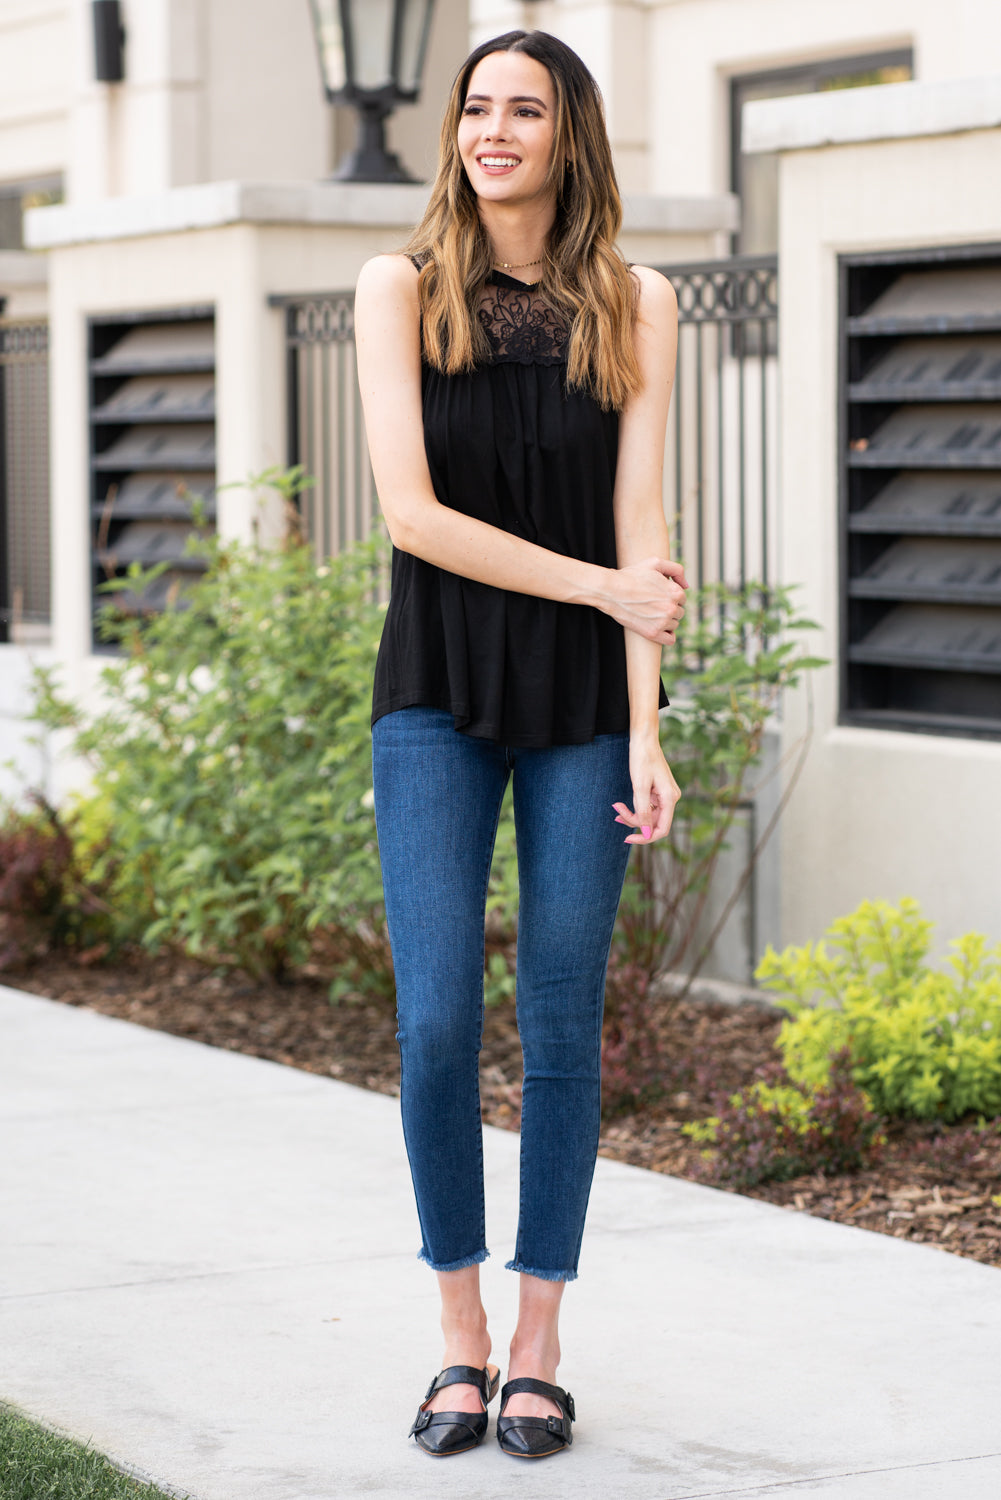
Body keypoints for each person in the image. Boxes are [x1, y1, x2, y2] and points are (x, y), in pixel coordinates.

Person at [354, 28, 686, 1461]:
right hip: (433, 686)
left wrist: (648, 728)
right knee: (435, 1019)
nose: (493, 130)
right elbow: (411, 518)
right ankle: (460, 1334)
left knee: (559, 1021)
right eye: (476, 107)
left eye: (523, 110)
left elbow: (641, 527)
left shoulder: (635, 301)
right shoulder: (400, 288)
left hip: (584, 709)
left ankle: (540, 1340)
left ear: (569, 135)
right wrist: (603, 590)